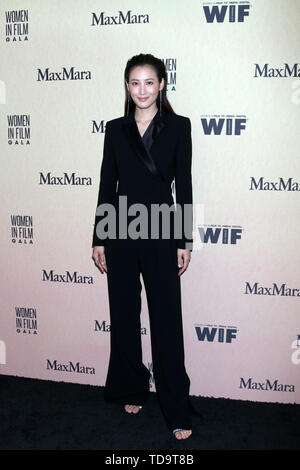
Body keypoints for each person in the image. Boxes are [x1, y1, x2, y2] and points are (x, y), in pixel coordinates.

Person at [92, 53, 195, 440]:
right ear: (127, 87)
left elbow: (182, 186)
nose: (142, 90)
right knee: (123, 315)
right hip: (119, 230)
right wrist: (99, 236)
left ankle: (175, 406)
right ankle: (131, 386)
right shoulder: (115, 130)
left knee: (167, 320)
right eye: (134, 83)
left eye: (149, 82)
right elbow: (107, 184)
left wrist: (183, 241)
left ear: (162, 84)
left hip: (161, 231)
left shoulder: (179, 127)